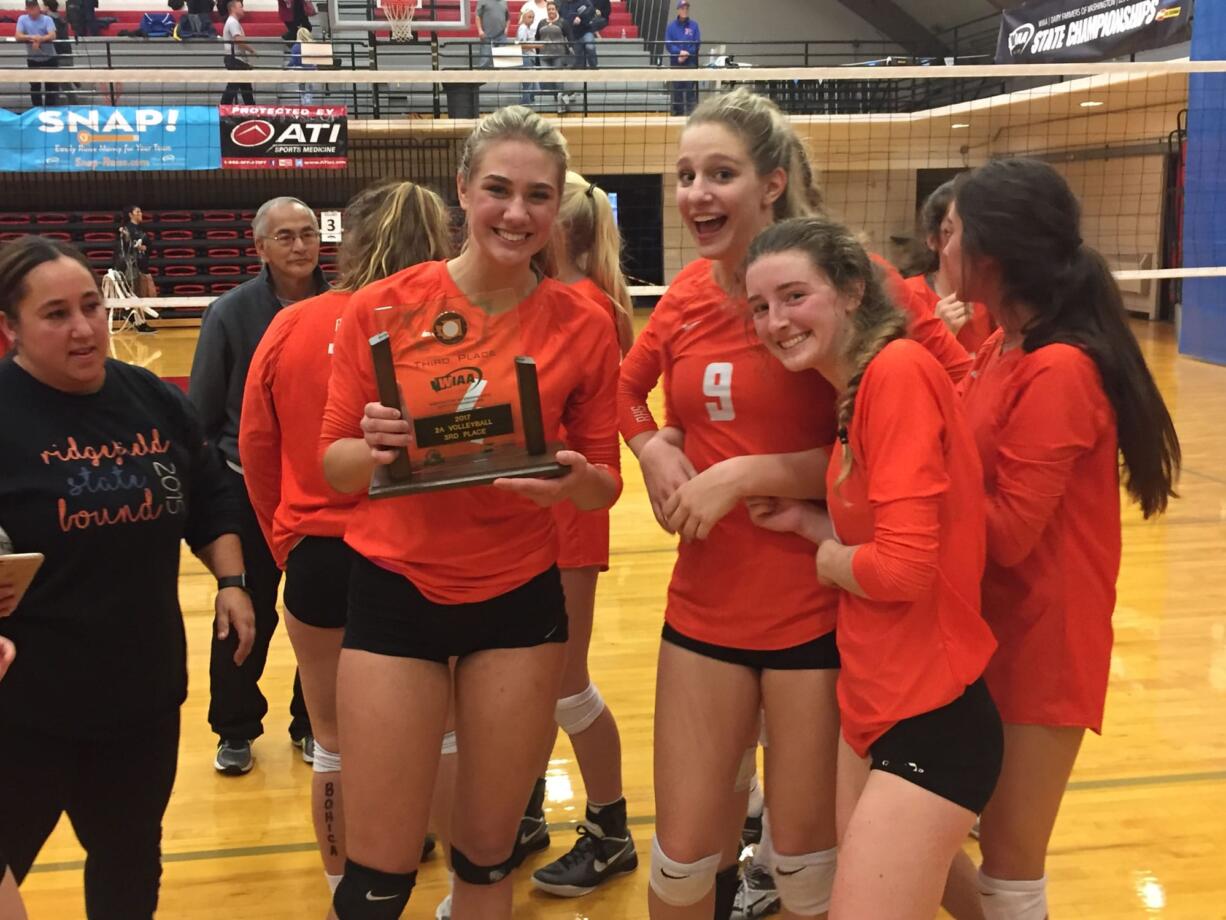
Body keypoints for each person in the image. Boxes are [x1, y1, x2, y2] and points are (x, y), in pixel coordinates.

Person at [319, 104, 621, 920]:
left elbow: (605, 485)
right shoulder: (380, 309)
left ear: (558, 207)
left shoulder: (585, 322)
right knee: (377, 877)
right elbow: (335, 464)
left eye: (538, 196)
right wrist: (377, 445)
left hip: (519, 601)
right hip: (395, 592)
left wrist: (571, 482)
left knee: (487, 862)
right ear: (463, 192)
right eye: (498, 190)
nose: (517, 213)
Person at [618, 87, 846, 920]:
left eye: (720, 173)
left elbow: (914, 438)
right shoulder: (685, 294)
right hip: (706, 610)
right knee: (682, 866)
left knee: (807, 874)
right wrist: (649, 447)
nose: (695, 194)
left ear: (773, 183)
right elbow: (617, 391)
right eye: (684, 176)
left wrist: (751, 474)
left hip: (820, 613)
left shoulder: (843, 282)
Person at [742, 215, 1003, 919]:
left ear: (853, 289)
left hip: (932, 713)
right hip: (877, 704)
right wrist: (805, 522)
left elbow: (904, 570)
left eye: (795, 296)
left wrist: (826, 558)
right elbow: (896, 535)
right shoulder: (859, 385)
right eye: (760, 307)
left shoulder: (896, 375)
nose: (775, 321)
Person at [941, 158, 1180, 920]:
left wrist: (915, 512)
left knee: (1010, 863)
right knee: (927, 827)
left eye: (949, 233)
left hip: (1043, 642)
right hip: (986, 629)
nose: (936, 249)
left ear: (991, 255)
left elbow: (1008, 533)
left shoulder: (1061, 372)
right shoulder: (998, 346)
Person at [0, 236, 254, 918]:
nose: (84, 328)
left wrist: (231, 581)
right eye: (56, 314)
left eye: (91, 306)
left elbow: (208, 492)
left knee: (129, 862)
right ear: (11, 329)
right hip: (22, 712)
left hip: (139, 697)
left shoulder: (146, 395)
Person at [240, 181, 453, 903]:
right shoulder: (453, 326)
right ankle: (463, 892)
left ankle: (345, 892)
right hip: (418, 552)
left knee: (330, 740)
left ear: (349, 244)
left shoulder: (291, 325)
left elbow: (255, 449)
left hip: (319, 557)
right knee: (446, 732)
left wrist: (289, 542)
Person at [189, 197, 327, 776]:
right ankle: (236, 728)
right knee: (246, 613)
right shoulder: (230, 313)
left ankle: (312, 721)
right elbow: (200, 413)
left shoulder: (344, 307)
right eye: (286, 237)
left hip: (321, 495)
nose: (300, 246)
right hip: (248, 493)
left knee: (321, 613)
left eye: (309, 234)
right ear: (260, 248)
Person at [528, 171, 637, 900]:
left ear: (557, 228)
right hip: (536, 516)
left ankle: (610, 830)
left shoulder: (586, 307)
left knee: (564, 686)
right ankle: (524, 809)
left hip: (569, 513)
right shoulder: (555, 299)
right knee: (531, 681)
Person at [903, 180, 993, 357]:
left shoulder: (991, 297)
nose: (964, 243)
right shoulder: (907, 296)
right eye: (949, 232)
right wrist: (940, 336)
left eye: (970, 230)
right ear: (932, 240)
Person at [114, 205, 158, 332]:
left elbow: (149, 246)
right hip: (131, 267)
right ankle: (138, 321)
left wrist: (144, 248)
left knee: (143, 294)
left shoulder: (141, 229)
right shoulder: (126, 230)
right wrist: (131, 243)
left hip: (142, 265)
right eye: (137, 212)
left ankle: (139, 320)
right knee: (135, 294)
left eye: (140, 211)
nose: (141, 214)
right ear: (130, 214)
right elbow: (124, 248)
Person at [16, 0, 58, 108]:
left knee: (51, 86)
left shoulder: (47, 19)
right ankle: (37, 110)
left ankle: (50, 110)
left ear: (38, 8)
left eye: (34, 8)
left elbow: (52, 35)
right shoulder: (22, 19)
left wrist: (40, 39)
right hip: (33, 58)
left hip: (49, 58)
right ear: (26, 9)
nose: (32, 11)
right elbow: (18, 36)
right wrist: (32, 37)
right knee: (35, 86)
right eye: (29, 8)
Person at [665, 0, 700, 116]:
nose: (685, 10)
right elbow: (668, 44)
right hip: (676, 62)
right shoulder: (671, 27)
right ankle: (677, 114)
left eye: (686, 8)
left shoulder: (694, 25)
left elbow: (696, 43)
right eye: (682, 8)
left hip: (690, 62)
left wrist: (686, 54)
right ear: (678, 10)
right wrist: (679, 52)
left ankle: (692, 115)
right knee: (677, 90)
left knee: (690, 89)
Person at [221, 0, 256, 106]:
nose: (242, 9)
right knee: (234, 85)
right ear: (233, 9)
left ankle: (251, 108)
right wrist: (252, 50)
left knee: (245, 87)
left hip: (238, 59)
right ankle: (224, 108)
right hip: (235, 59)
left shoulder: (233, 22)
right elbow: (238, 40)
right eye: (240, 7)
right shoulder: (232, 22)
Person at [536, 2, 569, 111]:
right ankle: (561, 97)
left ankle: (561, 104)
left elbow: (569, 37)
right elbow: (537, 38)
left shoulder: (562, 22)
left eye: (553, 9)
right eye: (549, 9)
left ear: (556, 10)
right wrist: (537, 53)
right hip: (544, 55)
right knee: (547, 77)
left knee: (558, 78)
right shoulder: (541, 23)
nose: (551, 11)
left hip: (558, 54)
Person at [562, 0, 597, 69]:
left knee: (590, 47)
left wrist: (580, 17)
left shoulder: (584, 1)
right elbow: (563, 18)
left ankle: (594, 68)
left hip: (586, 31)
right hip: (573, 35)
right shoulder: (564, 5)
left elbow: (591, 10)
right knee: (579, 61)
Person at [515, 6, 538, 106]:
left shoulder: (527, 28)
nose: (531, 19)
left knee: (531, 82)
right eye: (529, 17)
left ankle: (528, 101)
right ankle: (525, 103)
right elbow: (522, 44)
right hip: (525, 57)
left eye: (533, 17)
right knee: (528, 82)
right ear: (523, 17)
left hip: (530, 57)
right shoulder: (523, 28)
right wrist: (537, 45)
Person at [476, 0, 510, 68]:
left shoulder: (504, 2)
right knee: (485, 60)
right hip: (487, 36)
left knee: (502, 62)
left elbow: (508, 18)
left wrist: (506, 29)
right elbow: (478, 16)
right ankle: (482, 77)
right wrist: (480, 30)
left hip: (501, 36)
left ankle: (500, 78)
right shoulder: (482, 1)